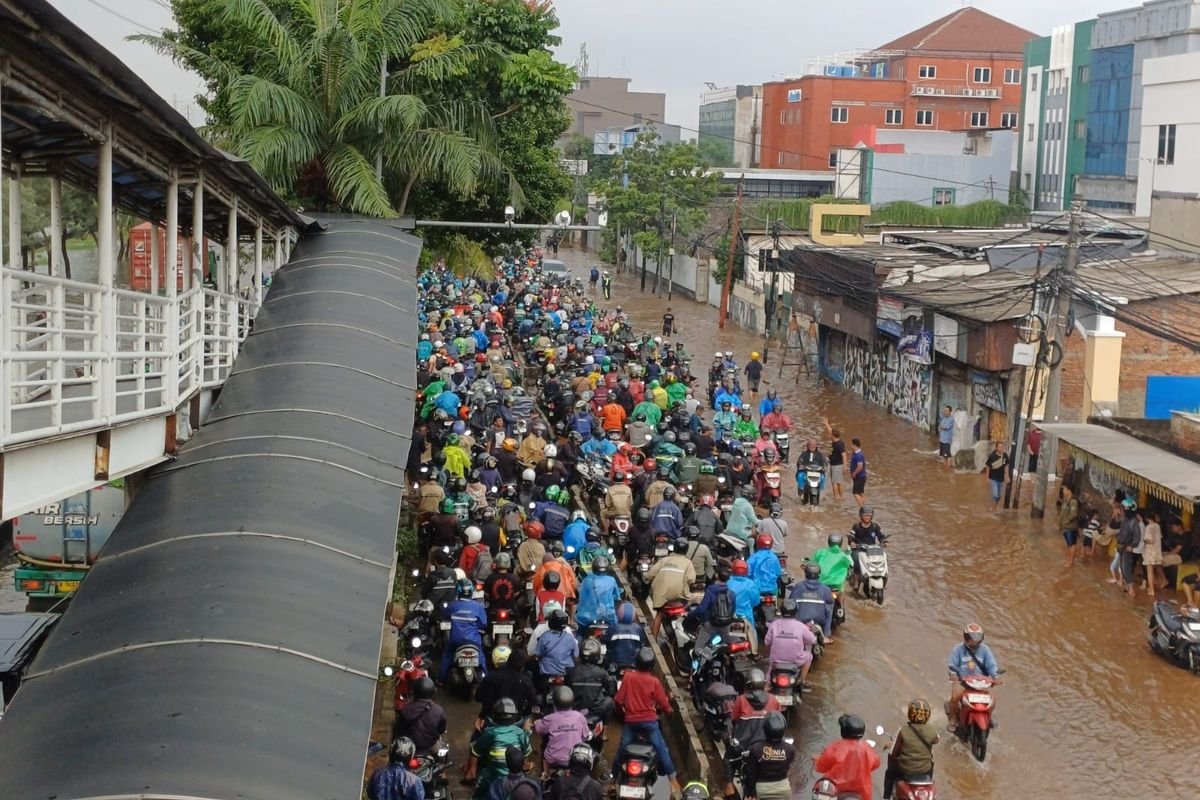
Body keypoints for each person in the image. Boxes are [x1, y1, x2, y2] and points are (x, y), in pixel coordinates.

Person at [614, 647, 681, 797]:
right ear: (651, 666)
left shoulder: (628, 677)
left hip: (631, 722)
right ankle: (674, 782)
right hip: (649, 723)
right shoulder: (654, 681)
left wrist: (623, 711)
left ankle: (612, 782)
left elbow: (618, 700)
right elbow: (663, 703)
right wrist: (669, 710)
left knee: (621, 750)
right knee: (662, 749)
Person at [946, 623, 1000, 731]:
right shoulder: (958, 649)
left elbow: (992, 665)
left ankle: (988, 716)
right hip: (962, 681)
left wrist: (995, 677)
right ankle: (953, 718)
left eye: (977, 638)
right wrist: (953, 675)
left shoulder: (985, 650)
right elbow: (952, 664)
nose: (974, 641)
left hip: (980, 683)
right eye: (972, 638)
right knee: (955, 697)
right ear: (966, 637)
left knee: (992, 700)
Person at [814, 714, 880, 800]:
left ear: (843, 731)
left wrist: (817, 759)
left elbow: (820, 768)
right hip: (863, 794)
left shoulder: (835, 747)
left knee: (818, 791)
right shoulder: (867, 748)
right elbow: (876, 764)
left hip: (835, 792)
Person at [883, 700, 939, 800]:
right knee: (931, 762)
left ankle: (886, 797)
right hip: (925, 771)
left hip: (905, 770)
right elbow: (937, 740)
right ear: (928, 715)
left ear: (910, 714)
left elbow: (894, 753)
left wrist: (890, 746)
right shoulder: (932, 731)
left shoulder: (903, 731)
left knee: (889, 774)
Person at [534, 685, 592, 771]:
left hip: (554, 759)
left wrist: (536, 722)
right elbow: (585, 736)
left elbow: (540, 731)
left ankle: (545, 774)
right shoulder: (579, 717)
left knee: (545, 753)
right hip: (574, 758)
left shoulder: (550, 718)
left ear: (554, 703)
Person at [646, 538, 696, 635]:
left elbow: (650, 574)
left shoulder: (665, 560)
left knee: (659, 615)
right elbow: (691, 580)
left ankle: (654, 639)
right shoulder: (688, 563)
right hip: (679, 596)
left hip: (661, 595)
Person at [764, 597, 817, 689]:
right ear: (796, 612)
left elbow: (767, 642)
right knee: (809, 656)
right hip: (796, 660)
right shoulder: (801, 626)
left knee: (767, 683)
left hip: (776, 660)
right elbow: (812, 640)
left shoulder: (774, 624)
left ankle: (768, 685)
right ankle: (802, 681)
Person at [441, 579, 488, 683]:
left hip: (455, 641)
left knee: (447, 655)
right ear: (471, 591)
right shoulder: (478, 606)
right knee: (481, 656)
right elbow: (483, 624)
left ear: (458, 591)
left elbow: (444, 615)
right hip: (474, 641)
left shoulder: (452, 605)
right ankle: (486, 680)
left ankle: (441, 680)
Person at [475, 648, 537, 724]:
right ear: (523, 666)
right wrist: (524, 716)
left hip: (492, 720)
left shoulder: (491, 677)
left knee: (477, 735)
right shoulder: (526, 681)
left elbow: (478, 697)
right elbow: (533, 702)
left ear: (508, 661)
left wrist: (482, 716)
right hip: (516, 721)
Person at [745, 711, 795, 800]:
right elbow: (788, 764)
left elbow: (750, 774)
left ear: (765, 729)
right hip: (783, 790)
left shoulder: (755, 749)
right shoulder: (790, 749)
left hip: (761, 790)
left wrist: (750, 793)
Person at [567, 637, 617, 722]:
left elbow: (566, 687)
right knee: (610, 701)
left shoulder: (572, 671)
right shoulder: (601, 672)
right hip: (594, 710)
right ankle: (605, 727)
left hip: (575, 709)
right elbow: (611, 690)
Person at [394, 676, 446, 754]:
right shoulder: (438, 710)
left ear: (415, 692)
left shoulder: (406, 709)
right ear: (432, 692)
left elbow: (400, 730)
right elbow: (441, 730)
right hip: (430, 745)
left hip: (409, 747)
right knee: (442, 751)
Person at [533, 608, 579, 688]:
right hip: (566, 673)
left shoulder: (544, 637)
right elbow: (576, 656)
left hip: (547, 673)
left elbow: (538, 655)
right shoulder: (570, 638)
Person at [789, 561, 834, 641]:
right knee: (829, 608)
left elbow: (790, 602)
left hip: (800, 620)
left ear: (806, 573)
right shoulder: (825, 589)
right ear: (819, 575)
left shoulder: (798, 587)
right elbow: (830, 604)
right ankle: (827, 634)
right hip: (818, 620)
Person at [575, 556, 622, 627]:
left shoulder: (586, 580)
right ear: (607, 568)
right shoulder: (612, 580)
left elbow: (579, 595)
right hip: (608, 617)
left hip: (586, 617)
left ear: (593, 568)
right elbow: (618, 598)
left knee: (580, 634)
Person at [727, 559, 762, 654]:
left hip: (729, 616)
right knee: (752, 634)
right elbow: (756, 601)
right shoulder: (750, 584)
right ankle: (754, 653)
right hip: (746, 617)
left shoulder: (728, 582)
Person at [748, 533, 782, 597]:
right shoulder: (774, 558)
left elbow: (747, 573)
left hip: (756, 590)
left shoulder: (753, 558)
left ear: (758, 543)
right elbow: (778, 573)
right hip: (772, 590)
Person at [796, 438, 828, 507]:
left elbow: (825, 462)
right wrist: (801, 465)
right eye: (811, 445)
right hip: (806, 472)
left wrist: (824, 467)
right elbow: (799, 461)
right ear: (808, 446)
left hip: (817, 473)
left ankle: (820, 489)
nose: (812, 446)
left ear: (816, 446)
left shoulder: (820, 455)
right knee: (800, 476)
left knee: (822, 477)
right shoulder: (804, 454)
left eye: (814, 445)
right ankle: (801, 491)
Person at [981, 440, 1010, 512]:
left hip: (1001, 478)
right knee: (995, 494)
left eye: (1002, 447)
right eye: (1000, 447)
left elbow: (1006, 467)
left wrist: (1007, 476)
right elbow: (988, 467)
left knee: (999, 496)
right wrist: (987, 478)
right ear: (996, 448)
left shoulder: (1005, 456)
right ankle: (992, 508)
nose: (1001, 448)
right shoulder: (992, 456)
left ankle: (995, 506)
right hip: (993, 478)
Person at [822, 417, 846, 501]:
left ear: (833, 436)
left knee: (834, 482)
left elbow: (844, 455)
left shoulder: (839, 444)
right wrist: (826, 424)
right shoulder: (834, 441)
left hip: (837, 466)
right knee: (838, 481)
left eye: (830, 434)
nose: (829, 435)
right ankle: (841, 496)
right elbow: (830, 430)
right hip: (834, 464)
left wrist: (845, 467)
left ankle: (837, 497)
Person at [1058, 483, 1081, 568]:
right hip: (1065, 526)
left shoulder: (1073, 501)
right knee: (1068, 544)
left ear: (1069, 490)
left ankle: (1071, 562)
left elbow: (1074, 514)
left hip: (1070, 527)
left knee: (1072, 544)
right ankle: (1069, 559)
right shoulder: (1066, 500)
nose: (1063, 491)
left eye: (1064, 489)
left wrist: (1067, 521)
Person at [848, 437, 868, 507]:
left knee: (856, 493)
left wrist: (854, 473)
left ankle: (861, 508)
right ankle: (864, 506)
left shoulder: (859, 455)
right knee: (861, 493)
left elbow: (860, 466)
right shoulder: (856, 453)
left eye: (851, 444)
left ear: (854, 445)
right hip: (861, 477)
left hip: (859, 477)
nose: (850, 446)